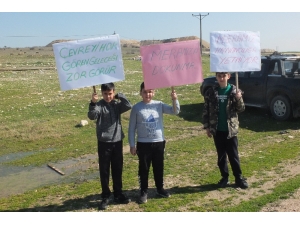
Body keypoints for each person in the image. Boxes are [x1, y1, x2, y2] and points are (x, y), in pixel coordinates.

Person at [128, 82, 180, 204]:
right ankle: (143, 191)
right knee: (144, 168)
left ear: (154, 92)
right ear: (141, 92)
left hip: (158, 142)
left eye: (150, 91)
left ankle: (160, 188)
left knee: (158, 166)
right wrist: (132, 144)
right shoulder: (136, 108)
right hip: (143, 143)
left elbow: (175, 111)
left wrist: (174, 99)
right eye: (145, 92)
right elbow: (131, 128)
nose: (148, 94)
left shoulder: (159, 105)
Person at [87, 82, 132, 210]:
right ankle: (105, 196)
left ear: (113, 92)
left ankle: (118, 194)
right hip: (104, 143)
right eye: (105, 94)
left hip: (117, 141)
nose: (108, 96)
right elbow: (92, 116)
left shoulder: (117, 105)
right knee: (105, 170)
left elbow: (128, 105)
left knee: (117, 169)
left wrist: (119, 96)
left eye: (110, 94)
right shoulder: (100, 105)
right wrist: (93, 103)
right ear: (102, 93)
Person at [202, 72, 249, 189]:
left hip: (230, 130)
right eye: (219, 76)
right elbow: (206, 110)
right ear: (216, 77)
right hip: (217, 129)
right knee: (221, 156)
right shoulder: (211, 92)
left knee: (233, 155)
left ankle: (238, 178)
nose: (221, 78)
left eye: (224, 76)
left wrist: (239, 99)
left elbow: (241, 109)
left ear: (228, 76)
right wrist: (207, 126)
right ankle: (224, 177)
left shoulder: (234, 91)